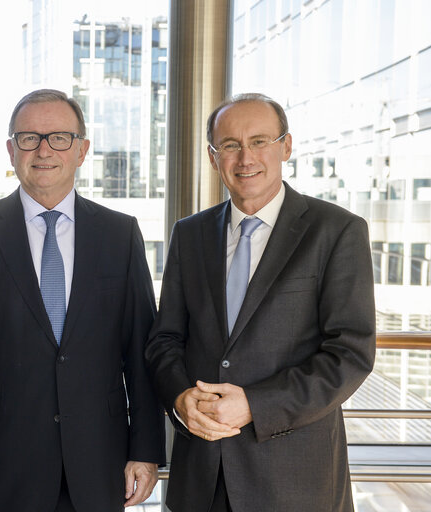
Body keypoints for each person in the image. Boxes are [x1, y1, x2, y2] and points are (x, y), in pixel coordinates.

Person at [0, 89, 165, 512]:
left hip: (100, 463)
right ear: (11, 150)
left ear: (81, 150)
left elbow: (140, 353)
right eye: (29, 138)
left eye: (59, 137)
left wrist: (145, 450)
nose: (43, 150)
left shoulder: (120, 234)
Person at [145, 93, 376, 512]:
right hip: (200, 475)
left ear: (286, 146)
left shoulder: (337, 230)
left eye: (259, 141)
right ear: (213, 157)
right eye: (230, 145)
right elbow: (166, 339)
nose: (245, 157)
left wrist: (255, 405)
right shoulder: (190, 234)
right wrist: (179, 398)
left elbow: (350, 354)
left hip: (293, 481)